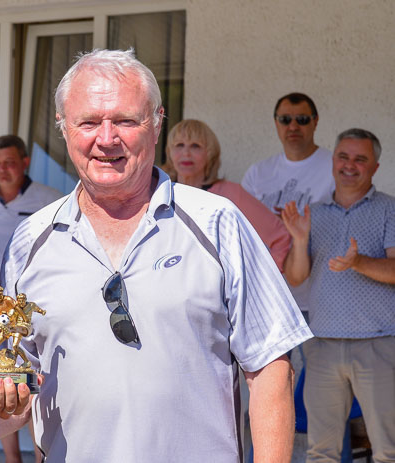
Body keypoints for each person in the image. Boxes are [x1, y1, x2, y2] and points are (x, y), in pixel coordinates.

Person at [0, 49, 313, 462]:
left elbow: (271, 367)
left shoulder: (218, 223)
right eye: (88, 122)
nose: (106, 139)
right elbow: (22, 389)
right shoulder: (30, 241)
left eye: (126, 120)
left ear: (156, 123)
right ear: (63, 127)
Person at [282, 128, 395, 463]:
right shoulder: (312, 213)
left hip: (378, 343)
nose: (350, 165)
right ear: (333, 162)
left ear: (375, 166)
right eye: (343, 157)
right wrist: (300, 242)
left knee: (388, 449)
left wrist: (358, 262)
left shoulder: (389, 209)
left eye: (360, 159)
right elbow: (296, 276)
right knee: (321, 451)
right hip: (322, 345)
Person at [0, 134, 60, 463]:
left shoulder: (50, 199)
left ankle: (38, 456)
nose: (2, 170)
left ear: (25, 163)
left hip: (27, 313)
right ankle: (10, 458)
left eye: (9, 163)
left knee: (31, 386)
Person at [241, 92, 335, 323]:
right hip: (266, 297)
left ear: (315, 121)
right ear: (276, 123)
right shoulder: (258, 172)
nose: (293, 126)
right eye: (285, 120)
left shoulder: (334, 167)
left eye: (302, 119)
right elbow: (241, 229)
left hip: (315, 298)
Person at [163, 119, 291, 270]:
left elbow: (281, 237)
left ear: (210, 154)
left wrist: (255, 283)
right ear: (169, 152)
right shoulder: (158, 193)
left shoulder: (231, 195)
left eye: (195, 146)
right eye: (179, 145)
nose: (186, 153)